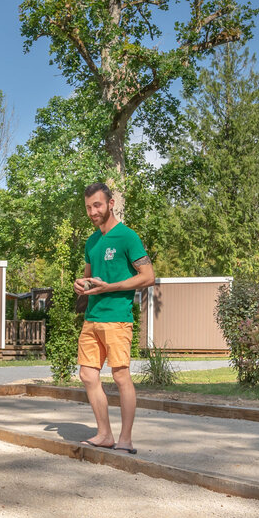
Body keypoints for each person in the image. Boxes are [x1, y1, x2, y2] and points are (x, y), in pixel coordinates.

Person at [75, 182, 155, 453]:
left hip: (117, 317)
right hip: (92, 316)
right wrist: (80, 284)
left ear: (110, 204)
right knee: (87, 375)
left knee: (121, 376)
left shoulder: (127, 237)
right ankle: (104, 434)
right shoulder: (92, 241)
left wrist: (111, 287)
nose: (92, 211)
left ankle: (126, 439)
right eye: (88, 207)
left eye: (97, 205)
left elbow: (148, 276)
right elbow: (89, 276)